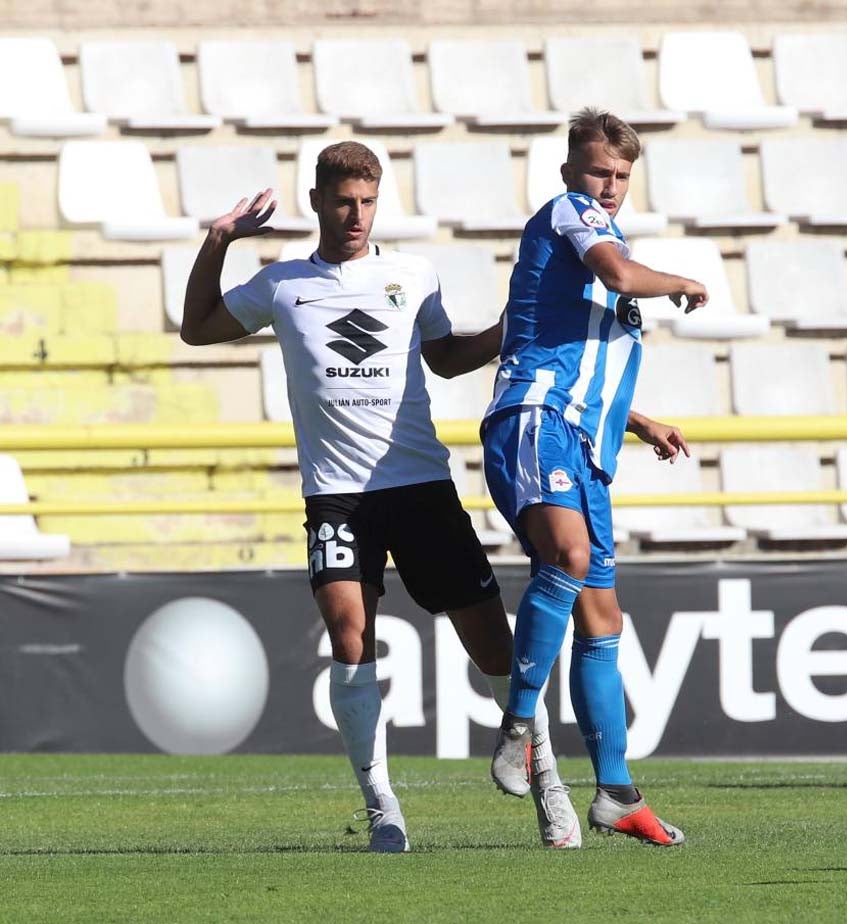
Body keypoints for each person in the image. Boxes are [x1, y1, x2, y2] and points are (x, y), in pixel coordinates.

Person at [178, 141, 579, 852]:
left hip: (419, 485)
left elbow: (444, 358)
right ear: (318, 202)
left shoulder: (410, 275)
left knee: (492, 642)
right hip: (336, 496)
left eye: (367, 201)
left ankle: (547, 779)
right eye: (343, 201)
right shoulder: (283, 284)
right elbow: (197, 328)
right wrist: (218, 240)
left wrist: (502, 331)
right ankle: (382, 806)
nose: (356, 214)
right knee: (350, 640)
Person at [481, 108, 708, 846]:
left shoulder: (599, 247)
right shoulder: (573, 219)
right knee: (569, 559)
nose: (607, 187)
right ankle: (518, 727)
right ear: (569, 173)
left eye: (619, 176)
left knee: (603, 619)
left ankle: (614, 792)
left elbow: (584, 353)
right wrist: (675, 281)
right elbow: (618, 274)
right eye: (597, 172)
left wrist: (640, 421)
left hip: (583, 440)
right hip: (535, 418)